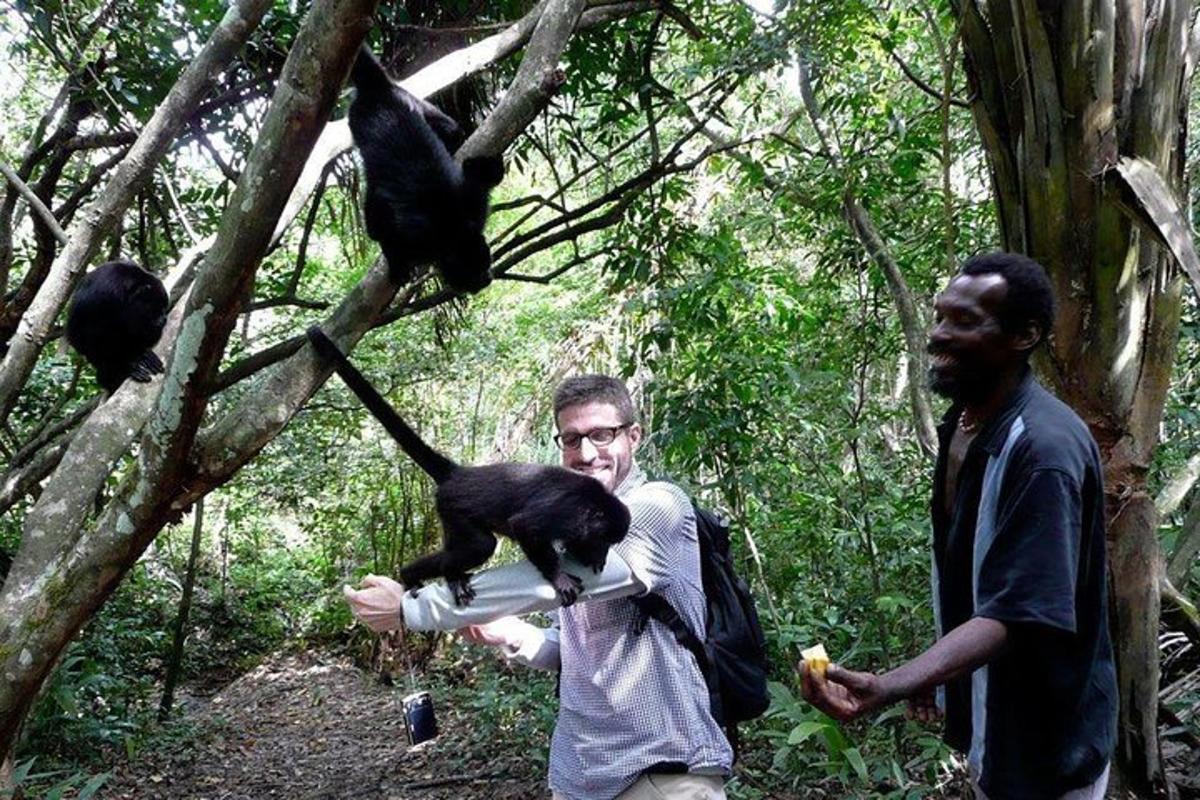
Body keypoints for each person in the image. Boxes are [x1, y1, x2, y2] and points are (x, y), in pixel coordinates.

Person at [801, 253, 1116, 800]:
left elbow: (1020, 611)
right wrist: (938, 674)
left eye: (964, 321)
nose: (938, 335)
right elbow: (971, 564)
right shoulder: (965, 423)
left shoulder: (1043, 450)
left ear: (1024, 335)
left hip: (1046, 741)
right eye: (940, 316)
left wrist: (894, 682)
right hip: (991, 725)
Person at [345, 375, 732, 800]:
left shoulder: (660, 507)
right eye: (572, 439)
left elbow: (581, 578)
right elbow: (574, 652)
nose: (586, 454)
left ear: (633, 436)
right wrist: (513, 634)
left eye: (602, 435)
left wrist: (415, 607)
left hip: (663, 773)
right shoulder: (567, 516)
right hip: (581, 776)